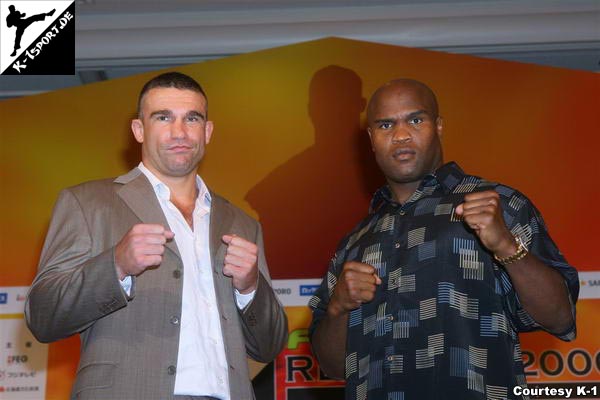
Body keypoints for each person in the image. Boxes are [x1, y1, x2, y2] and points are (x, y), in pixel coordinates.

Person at [309, 79, 578, 400]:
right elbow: (333, 365)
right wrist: (339, 307)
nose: (401, 134)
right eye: (385, 124)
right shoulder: (357, 240)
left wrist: (507, 247)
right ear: (371, 138)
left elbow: (560, 318)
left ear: (438, 126)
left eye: (415, 120)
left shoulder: (498, 203)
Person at [26, 72, 288, 400]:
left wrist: (251, 288)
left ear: (207, 131)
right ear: (139, 130)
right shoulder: (87, 202)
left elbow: (269, 345)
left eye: (191, 119)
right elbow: (43, 316)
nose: (179, 132)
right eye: (163, 117)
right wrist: (115, 265)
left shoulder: (243, 223)